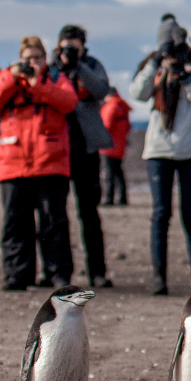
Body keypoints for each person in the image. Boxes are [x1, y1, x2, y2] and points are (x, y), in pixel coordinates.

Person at [0, 36, 78, 290]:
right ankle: (17, 276)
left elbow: (69, 103)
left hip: (50, 163)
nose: (32, 63)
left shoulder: (55, 79)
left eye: (37, 58)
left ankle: (57, 275)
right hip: (14, 164)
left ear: (45, 59)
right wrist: (12, 79)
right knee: (15, 223)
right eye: (27, 58)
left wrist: (37, 85)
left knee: (53, 222)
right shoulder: (9, 80)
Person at [131, 15, 191, 295]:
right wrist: (156, 63)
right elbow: (138, 93)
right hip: (159, 150)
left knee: (190, 214)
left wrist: (187, 77)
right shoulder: (152, 68)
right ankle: (159, 277)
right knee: (160, 214)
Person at [51, 25, 114, 289]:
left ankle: (96, 272)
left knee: (89, 212)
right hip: (58, 149)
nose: (69, 50)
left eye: (74, 46)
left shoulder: (92, 65)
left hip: (86, 148)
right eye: (66, 45)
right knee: (55, 214)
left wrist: (79, 66)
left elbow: (101, 90)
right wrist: (62, 65)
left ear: (83, 47)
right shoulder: (51, 68)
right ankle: (59, 272)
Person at [99, 87, 132, 205]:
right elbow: (127, 126)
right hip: (119, 145)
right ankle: (122, 198)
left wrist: (98, 139)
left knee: (108, 173)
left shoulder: (111, 106)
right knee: (118, 172)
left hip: (109, 146)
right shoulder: (122, 106)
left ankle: (108, 198)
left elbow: (105, 126)